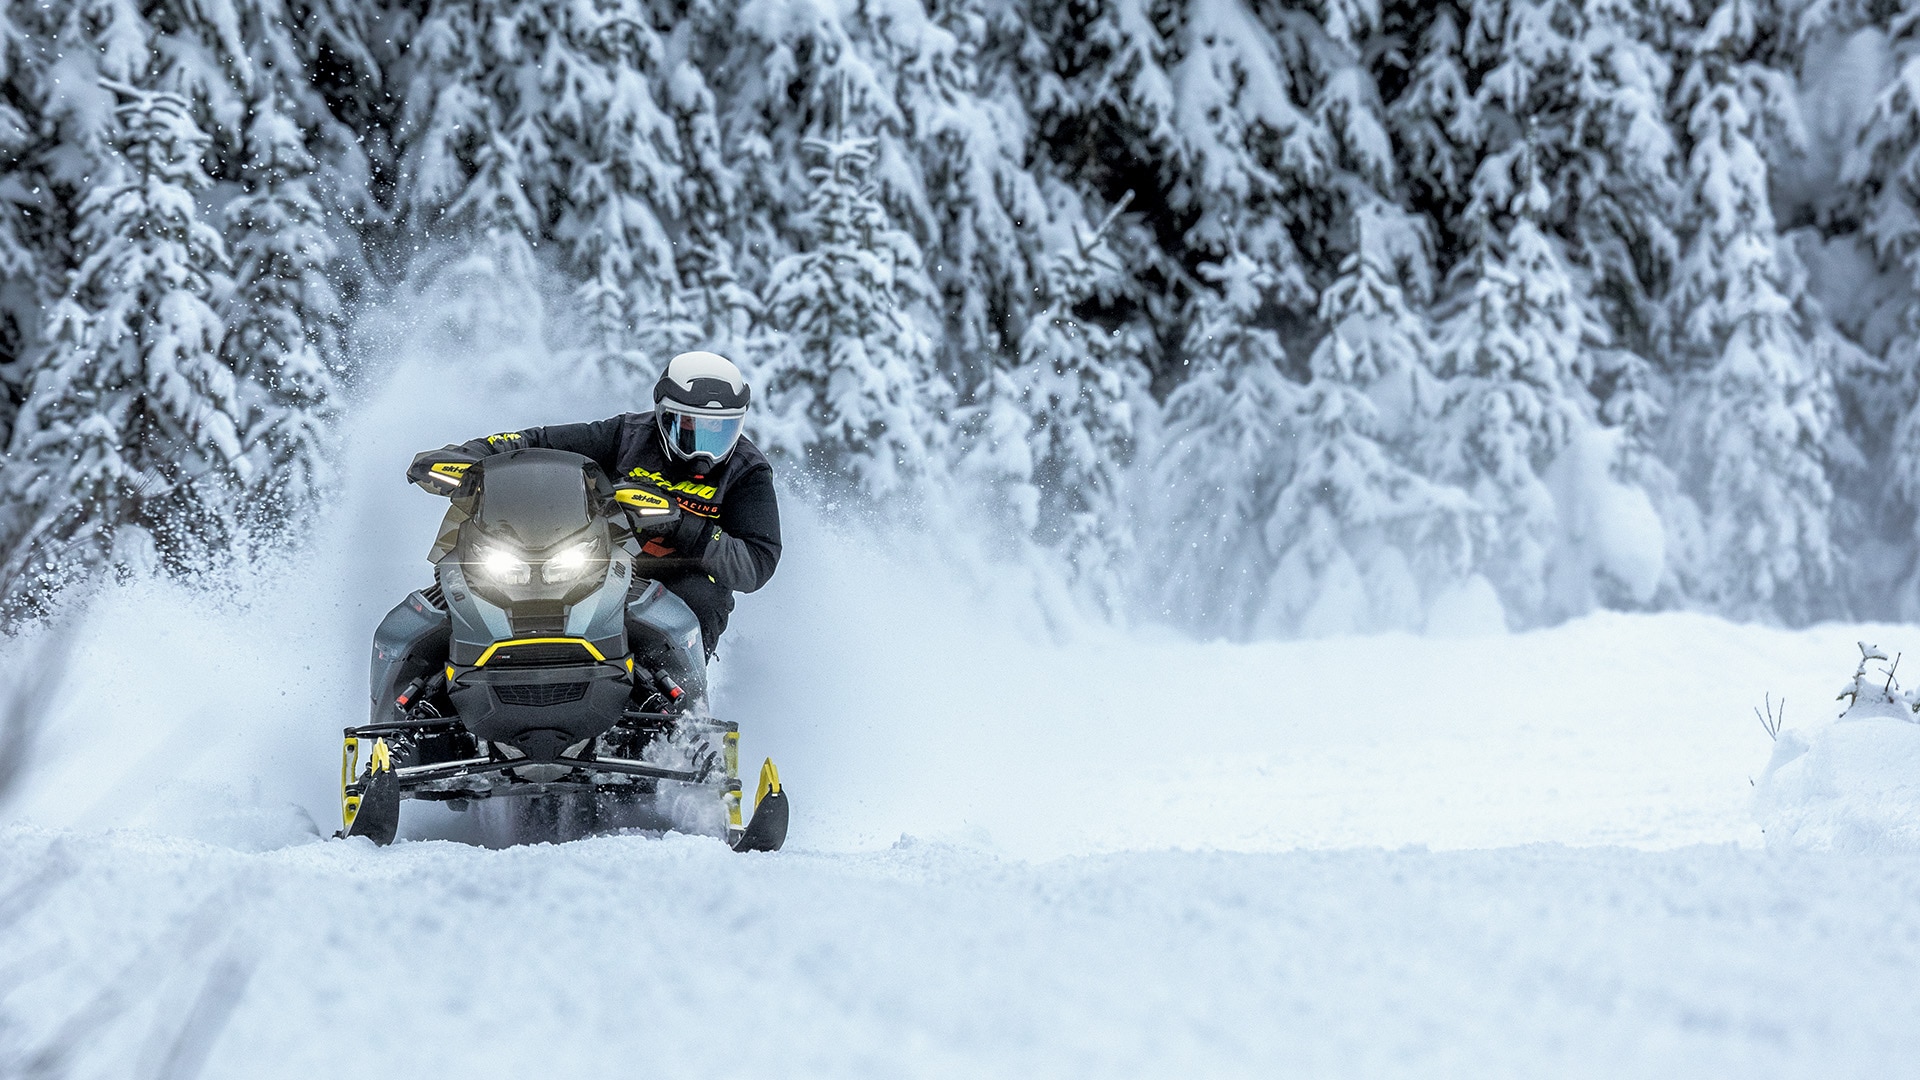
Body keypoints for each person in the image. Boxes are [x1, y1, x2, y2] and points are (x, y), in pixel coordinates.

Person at [427, 351, 780, 656]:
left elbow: (757, 563)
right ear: (662, 415)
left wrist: (682, 525)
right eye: (688, 428)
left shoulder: (748, 473)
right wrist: (477, 453)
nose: (703, 450)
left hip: (677, 576)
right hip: (597, 559)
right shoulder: (626, 435)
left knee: (706, 599)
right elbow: (539, 442)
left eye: (719, 432)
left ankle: (686, 714)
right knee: (470, 577)